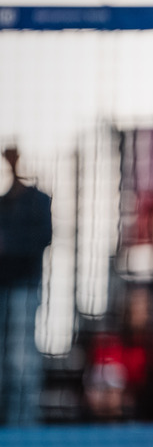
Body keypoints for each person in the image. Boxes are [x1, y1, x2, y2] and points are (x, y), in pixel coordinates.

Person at [0, 144, 52, 425]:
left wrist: (8, 245)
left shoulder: (37, 200)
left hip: (24, 290)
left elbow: (43, 237)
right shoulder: (4, 202)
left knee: (21, 362)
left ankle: (22, 429)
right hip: (5, 290)